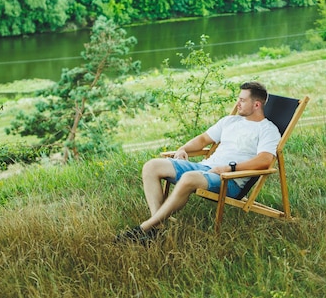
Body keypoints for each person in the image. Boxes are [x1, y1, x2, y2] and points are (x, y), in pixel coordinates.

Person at [116, 81, 281, 244]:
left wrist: (230, 168)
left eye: (242, 100)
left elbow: (265, 160)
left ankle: (144, 228)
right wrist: (183, 149)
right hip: (205, 168)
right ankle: (157, 228)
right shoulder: (230, 121)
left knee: (189, 178)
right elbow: (203, 139)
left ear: (257, 105)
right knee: (151, 166)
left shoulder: (267, 129)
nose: (237, 103)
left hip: (229, 179)